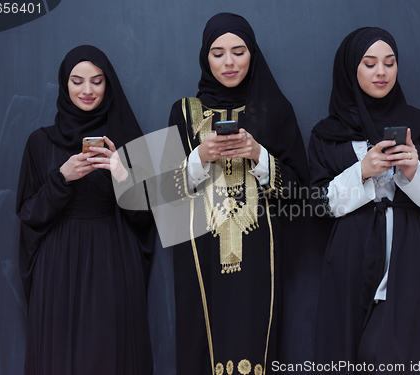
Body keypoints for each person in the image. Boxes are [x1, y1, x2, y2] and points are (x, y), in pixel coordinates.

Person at [166, 12, 309, 375]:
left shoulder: (275, 109)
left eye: (238, 51)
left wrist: (258, 155)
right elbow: (164, 198)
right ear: (205, 56)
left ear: (253, 54)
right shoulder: (184, 112)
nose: (229, 62)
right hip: (201, 259)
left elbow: (301, 194)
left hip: (261, 257)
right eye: (218, 53)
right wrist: (200, 157)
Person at [308, 27, 420, 374]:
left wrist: (411, 171)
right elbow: (316, 203)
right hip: (350, 254)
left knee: (405, 353)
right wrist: (362, 171)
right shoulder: (328, 134)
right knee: (348, 349)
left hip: (409, 252)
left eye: (389, 63)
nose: (381, 72)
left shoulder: (419, 126)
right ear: (351, 69)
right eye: (369, 63)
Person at [16, 45, 154, 375]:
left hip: (113, 262)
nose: (88, 90)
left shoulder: (129, 142)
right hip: (57, 265)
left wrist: (121, 174)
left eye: (97, 81)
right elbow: (28, 214)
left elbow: (148, 218)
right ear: (65, 85)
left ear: (109, 85)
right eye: (77, 81)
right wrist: (63, 177)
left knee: (110, 355)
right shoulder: (40, 143)